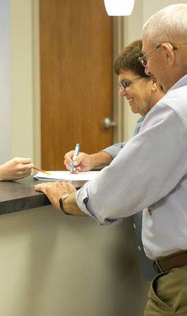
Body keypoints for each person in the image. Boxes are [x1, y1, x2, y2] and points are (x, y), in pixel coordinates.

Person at [35, 4, 187, 315]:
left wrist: (68, 201)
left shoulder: (176, 108)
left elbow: (117, 193)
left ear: (168, 53)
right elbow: (136, 150)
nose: (150, 69)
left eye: (147, 59)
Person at [64, 40, 164, 281]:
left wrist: (66, 201)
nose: (122, 92)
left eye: (127, 84)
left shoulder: (166, 120)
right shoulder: (149, 118)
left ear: (153, 80)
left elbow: (119, 188)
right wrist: (92, 160)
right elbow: (129, 147)